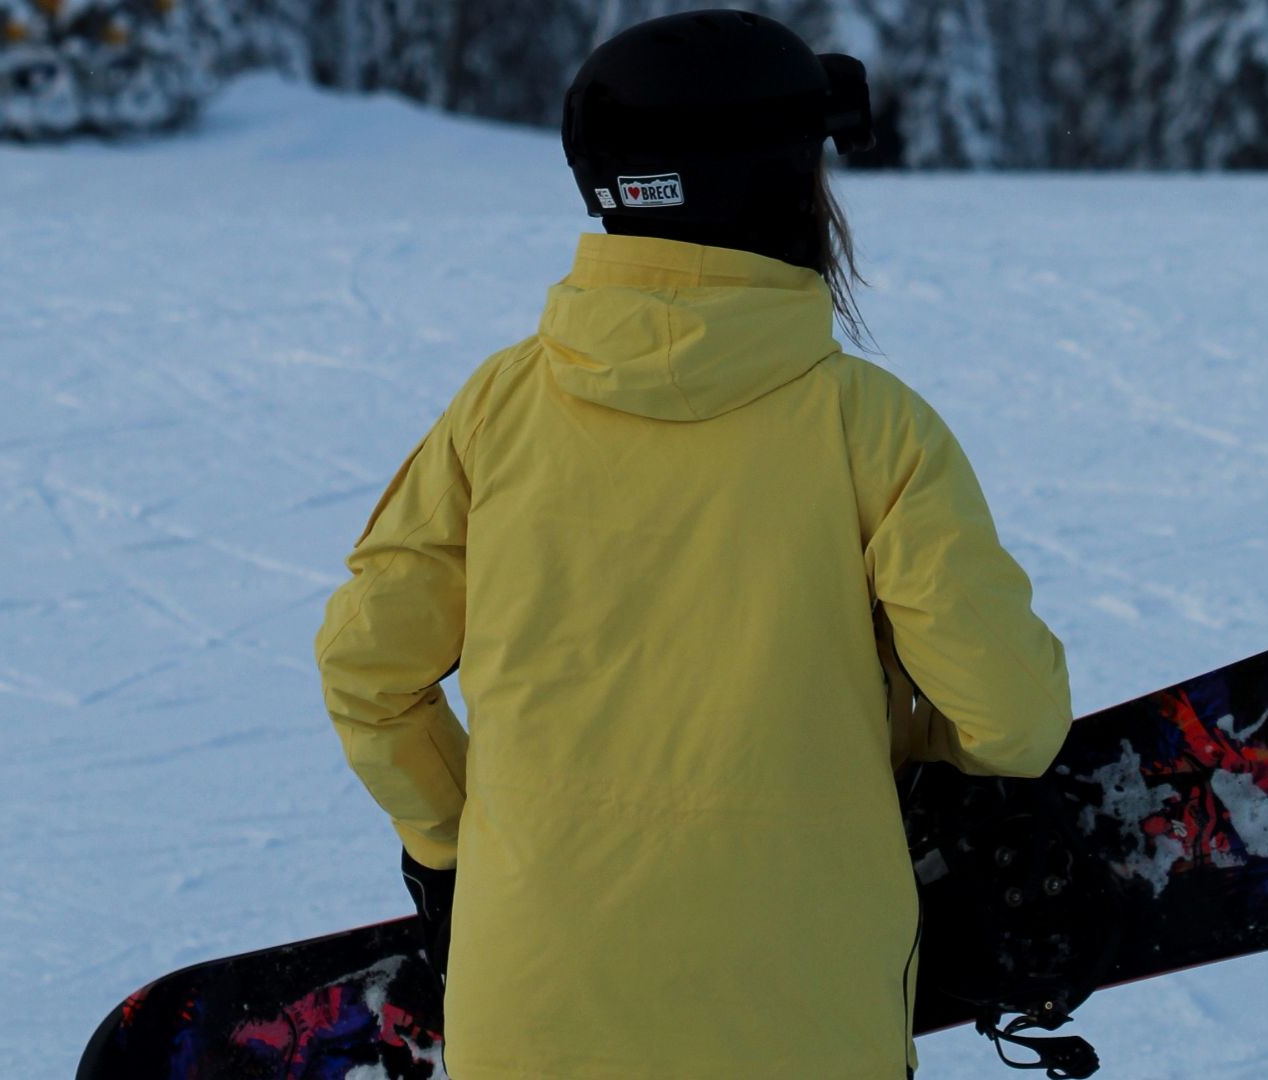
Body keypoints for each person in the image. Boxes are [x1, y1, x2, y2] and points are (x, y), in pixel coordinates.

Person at [315, 10, 1073, 1078]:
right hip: (805, 1017)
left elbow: (366, 670)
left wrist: (462, 847)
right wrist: (903, 749)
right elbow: (1014, 721)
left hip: (532, 1008)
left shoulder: (495, 412)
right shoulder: (872, 428)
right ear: (783, 185)